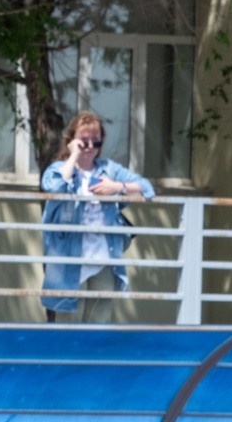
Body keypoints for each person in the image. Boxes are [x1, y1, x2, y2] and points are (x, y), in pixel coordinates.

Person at [41, 111, 153, 324]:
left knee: (98, 324)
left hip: (103, 258)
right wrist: (72, 155)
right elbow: (54, 188)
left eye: (96, 142)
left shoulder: (109, 170)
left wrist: (117, 187)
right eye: (84, 142)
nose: (90, 147)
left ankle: (92, 359)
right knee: (69, 326)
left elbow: (146, 189)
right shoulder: (59, 168)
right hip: (70, 260)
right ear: (72, 140)